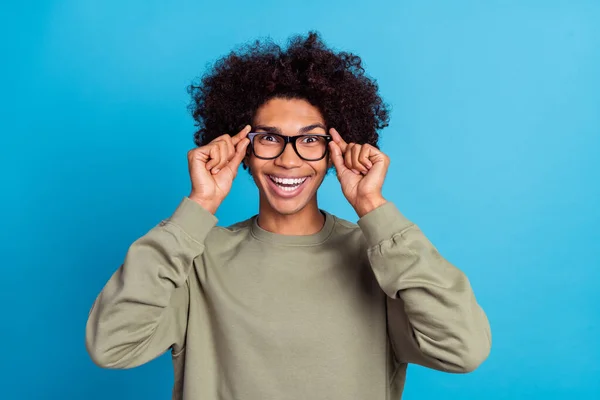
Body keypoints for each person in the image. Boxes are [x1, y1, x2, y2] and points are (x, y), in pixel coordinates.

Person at [85, 32, 491, 400]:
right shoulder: (194, 260)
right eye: (269, 138)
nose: (288, 159)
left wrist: (372, 207)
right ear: (241, 148)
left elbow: (463, 349)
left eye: (311, 140)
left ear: (335, 151)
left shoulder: (381, 258)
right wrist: (199, 206)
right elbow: (111, 346)